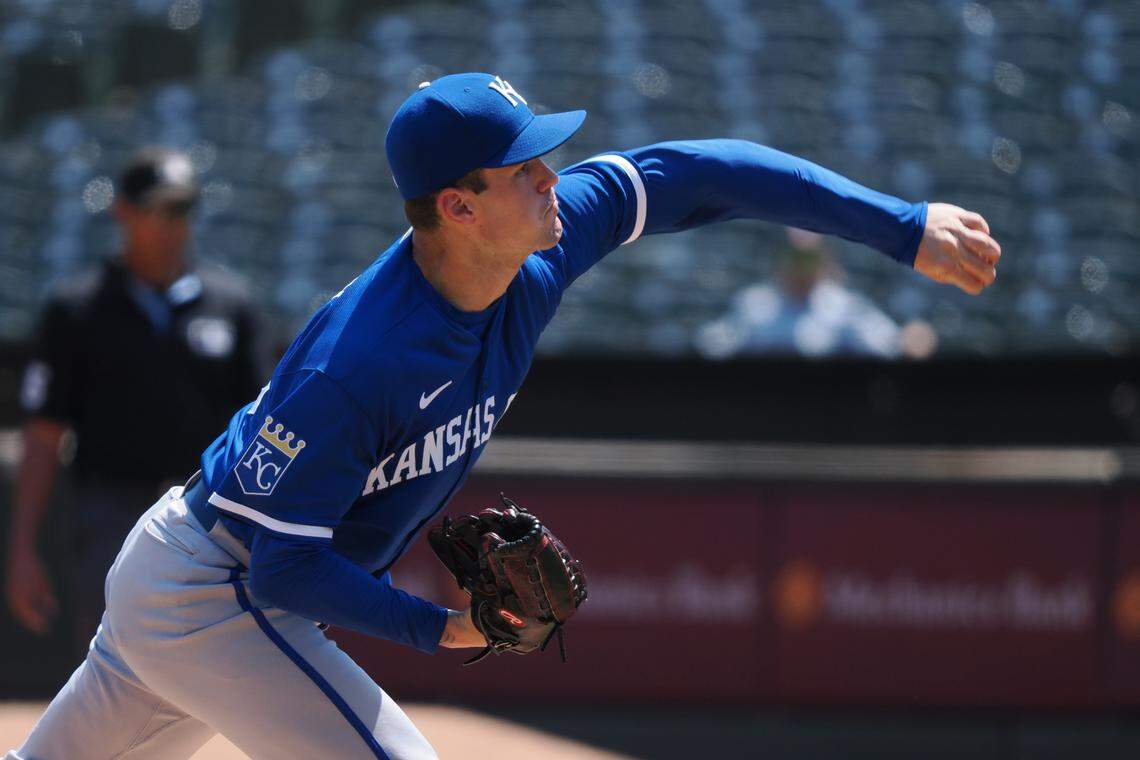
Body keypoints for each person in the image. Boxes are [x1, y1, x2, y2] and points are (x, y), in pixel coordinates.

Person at [7, 73, 1001, 759]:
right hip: (217, 588)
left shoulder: (543, 250)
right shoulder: (360, 361)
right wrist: (444, 629)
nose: (551, 177)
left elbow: (706, 173)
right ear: (459, 207)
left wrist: (901, 226)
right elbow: (283, 569)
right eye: (524, 167)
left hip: (188, 575)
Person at [5, 148, 269, 658]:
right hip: (109, 515)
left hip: (205, 513)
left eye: (181, 209)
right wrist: (22, 551)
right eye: (156, 209)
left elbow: (260, 429)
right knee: (112, 663)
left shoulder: (232, 306)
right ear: (122, 211)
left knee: (208, 669)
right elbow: (44, 435)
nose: (170, 224)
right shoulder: (76, 308)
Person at [696, 227, 907, 359]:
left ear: (824, 259)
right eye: (796, 257)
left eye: (809, 258)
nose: (802, 267)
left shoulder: (844, 307)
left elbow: (889, 346)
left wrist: (908, 340)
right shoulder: (754, 305)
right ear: (781, 258)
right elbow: (711, 346)